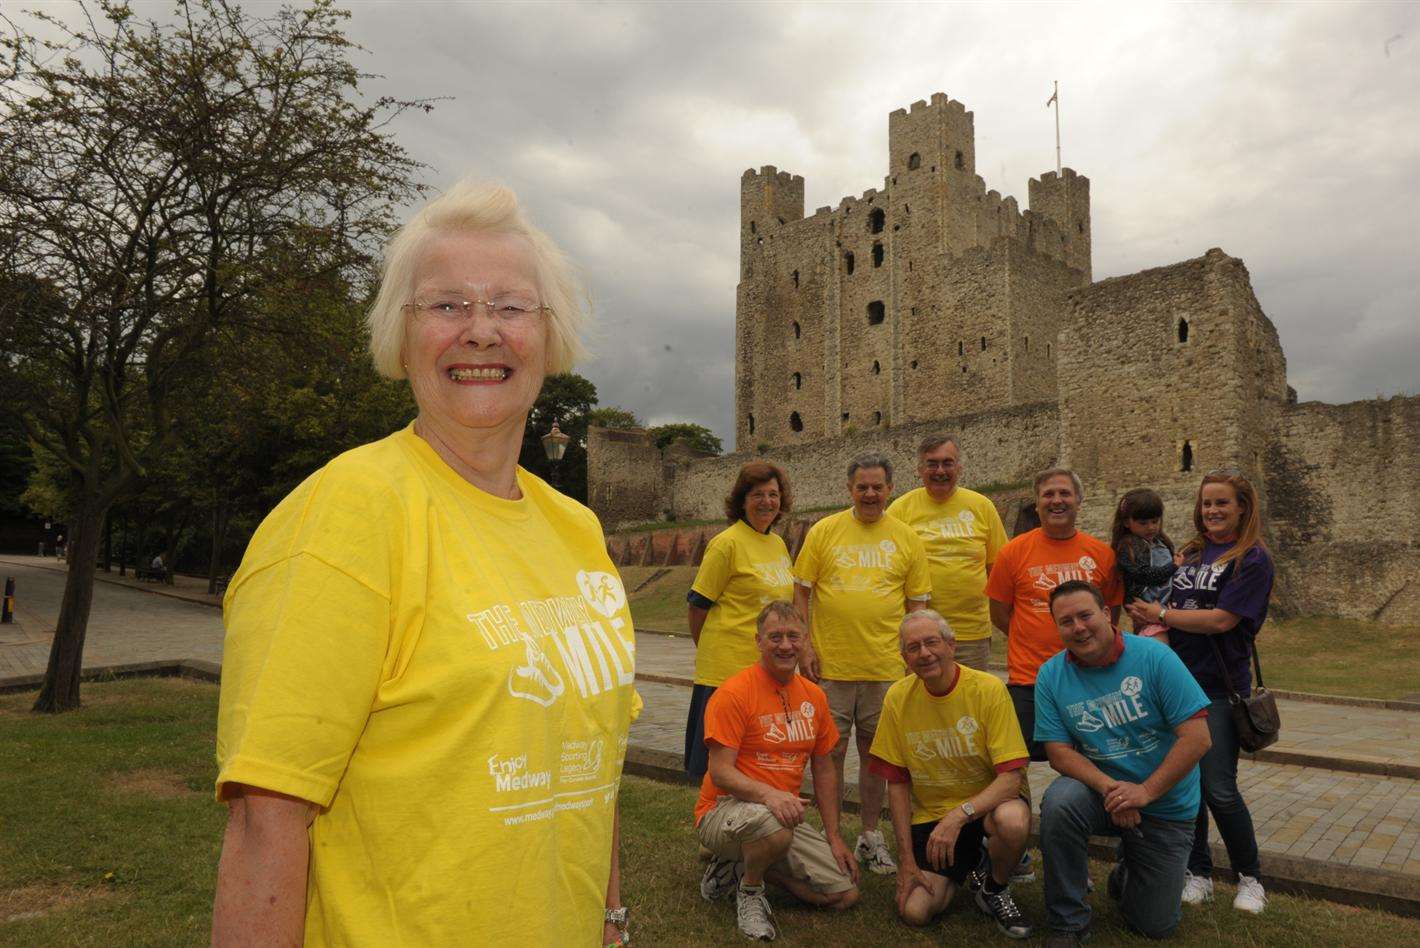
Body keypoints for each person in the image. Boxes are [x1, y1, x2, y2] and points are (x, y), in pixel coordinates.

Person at [211, 180, 639, 947]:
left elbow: (589, 764)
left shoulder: (576, 531)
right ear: (400, 338)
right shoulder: (343, 517)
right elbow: (263, 819)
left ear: (550, 336)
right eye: (445, 306)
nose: (481, 331)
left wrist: (609, 919)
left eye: (511, 307)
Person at [1126, 469, 1275, 915]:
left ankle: (1250, 879)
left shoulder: (1252, 559)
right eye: (1207, 503)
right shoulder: (1191, 553)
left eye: (1222, 503)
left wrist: (1162, 614)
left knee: (1219, 789)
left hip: (1217, 687)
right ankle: (1199, 873)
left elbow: (1222, 620)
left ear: (1243, 508)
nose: (1212, 511)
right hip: (1176, 685)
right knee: (1185, 786)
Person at [1036, 581, 1211, 946]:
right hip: (1103, 792)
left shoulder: (1155, 658)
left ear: (1106, 613)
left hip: (1165, 804)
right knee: (1060, 802)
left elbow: (1197, 738)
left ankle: (1128, 870)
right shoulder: (1051, 675)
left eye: (1085, 615)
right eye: (1066, 621)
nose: (1078, 627)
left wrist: (1145, 792)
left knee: (1153, 925)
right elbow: (1059, 753)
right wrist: (1113, 790)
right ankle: (1068, 920)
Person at [793, 452, 931, 874]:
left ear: (891, 489)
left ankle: (870, 835)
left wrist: (913, 660)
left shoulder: (906, 537)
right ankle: (830, 836)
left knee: (877, 757)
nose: (870, 494)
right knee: (827, 755)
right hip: (830, 666)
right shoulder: (825, 531)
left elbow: (917, 604)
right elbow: (802, 592)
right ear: (849, 489)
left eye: (877, 487)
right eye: (862, 487)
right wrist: (805, 647)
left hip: (886, 667)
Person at [695, 601, 860, 941]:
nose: (785, 645)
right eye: (775, 637)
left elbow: (825, 769)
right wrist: (770, 795)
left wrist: (834, 837)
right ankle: (751, 893)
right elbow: (721, 772)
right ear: (758, 641)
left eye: (793, 637)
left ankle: (740, 865)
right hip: (724, 809)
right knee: (773, 826)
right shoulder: (734, 693)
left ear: (804, 641)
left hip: (782, 816)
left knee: (844, 895)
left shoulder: (814, 696)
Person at [868, 610, 1034, 939]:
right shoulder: (897, 698)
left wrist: (959, 816)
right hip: (933, 816)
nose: (924, 653)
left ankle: (995, 887)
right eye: (913, 648)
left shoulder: (988, 690)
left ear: (951, 645)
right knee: (915, 912)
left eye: (932, 642)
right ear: (904, 657)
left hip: (987, 807)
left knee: (1013, 821)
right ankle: (972, 864)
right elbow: (897, 784)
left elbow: (1011, 778)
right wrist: (906, 863)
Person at [986, 467, 1122, 761]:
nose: (1056, 500)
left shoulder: (1101, 555)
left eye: (1065, 493)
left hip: (1090, 677)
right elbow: (998, 612)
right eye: (1048, 494)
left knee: (1098, 757)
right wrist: (1029, 637)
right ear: (1036, 504)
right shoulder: (1012, 553)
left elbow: (1110, 613)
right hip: (1030, 680)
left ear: (1078, 501)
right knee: (1016, 760)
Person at [684, 462, 795, 782]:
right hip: (726, 668)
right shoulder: (727, 543)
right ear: (742, 500)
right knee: (719, 764)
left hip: (764, 667)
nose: (767, 502)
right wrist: (710, 649)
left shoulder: (777, 544)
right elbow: (697, 605)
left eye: (773, 494)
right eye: (758, 494)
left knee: (755, 759)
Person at [887, 434, 1008, 672]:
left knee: (970, 703)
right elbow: (887, 572)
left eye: (947, 463)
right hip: (919, 634)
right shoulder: (900, 510)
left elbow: (998, 569)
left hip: (971, 633)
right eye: (932, 464)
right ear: (919, 469)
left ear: (959, 466)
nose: (940, 470)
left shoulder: (982, 506)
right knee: (922, 704)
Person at [1111, 488, 1177, 643]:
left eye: (1155, 521)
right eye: (1143, 523)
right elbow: (1143, 575)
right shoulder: (1128, 546)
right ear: (1127, 522)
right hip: (1147, 609)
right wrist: (1173, 567)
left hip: (1167, 607)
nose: (1151, 527)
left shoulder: (1161, 542)